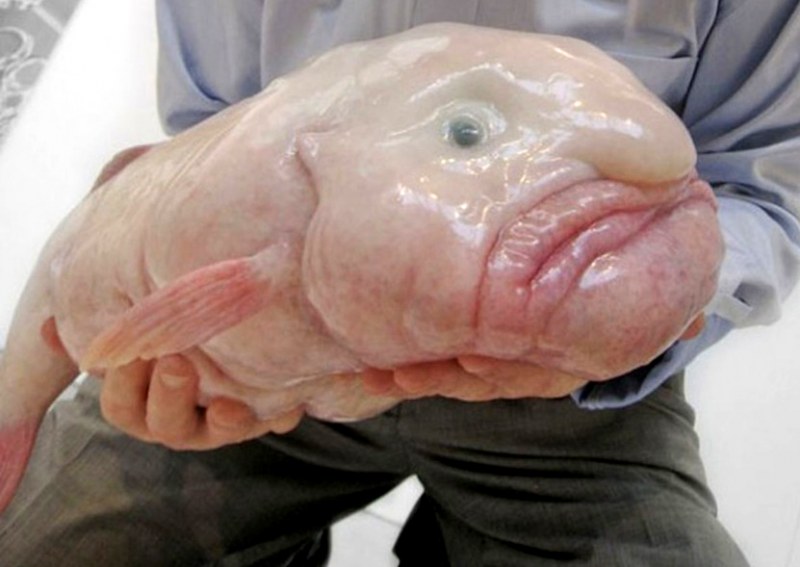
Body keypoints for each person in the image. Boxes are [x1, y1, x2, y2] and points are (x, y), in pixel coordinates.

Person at [1, 1, 799, 565]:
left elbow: (765, 188)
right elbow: (209, 131)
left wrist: (659, 306)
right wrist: (201, 359)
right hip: (270, 358)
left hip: (578, 398)